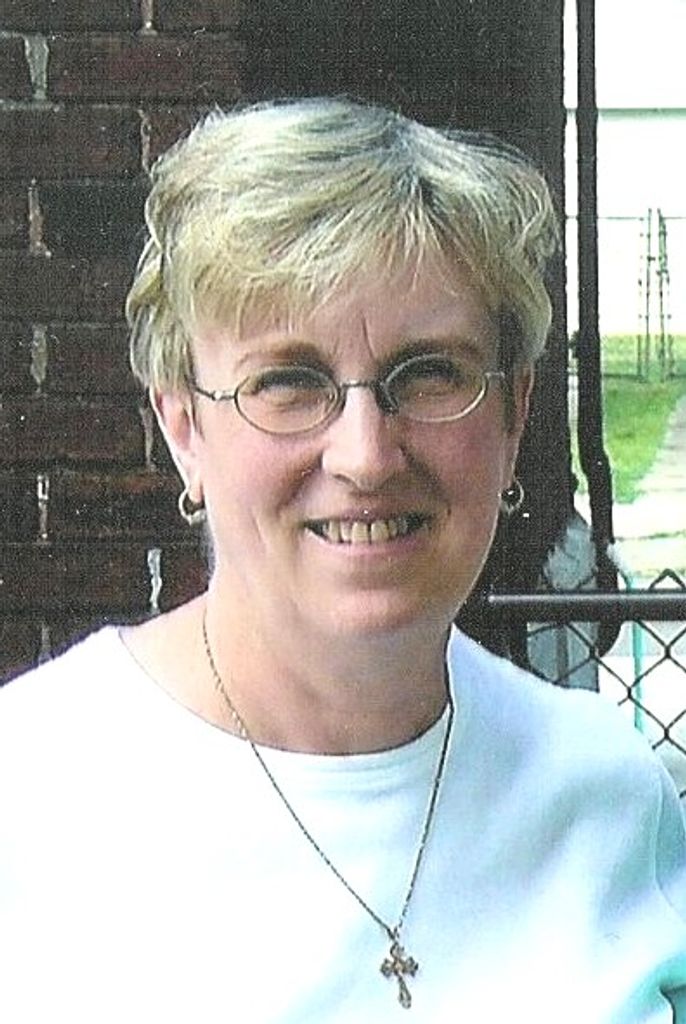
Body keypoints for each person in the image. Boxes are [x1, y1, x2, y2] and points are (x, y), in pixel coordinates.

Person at [1, 97, 684, 1024]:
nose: (366, 456)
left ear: (515, 411)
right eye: (288, 381)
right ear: (183, 424)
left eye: (430, 373)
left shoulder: (609, 796)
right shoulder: (29, 795)